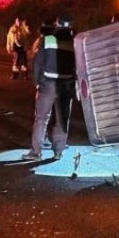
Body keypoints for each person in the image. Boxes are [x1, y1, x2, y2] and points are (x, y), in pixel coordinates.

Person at [23, 15, 76, 161]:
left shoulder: (48, 40)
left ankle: (36, 152)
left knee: (41, 119)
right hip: (65, 86)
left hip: (48, 85)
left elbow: (37, 63)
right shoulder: (74, 43)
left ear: (57, 24)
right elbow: (78, 67)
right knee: (62, 119)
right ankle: (58, 151)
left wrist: (37, 82)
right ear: (70, 26)